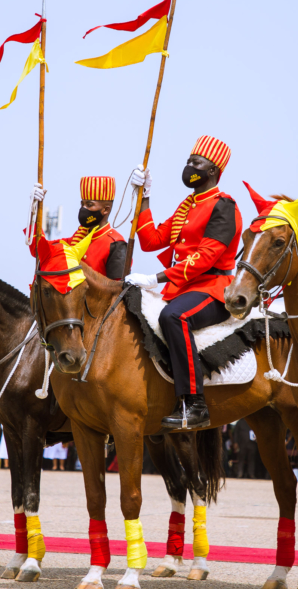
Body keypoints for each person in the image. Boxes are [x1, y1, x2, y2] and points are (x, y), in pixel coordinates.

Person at [125, 136, 243, 430]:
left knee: (174, 316)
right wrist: (144, 197)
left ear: (213, 170)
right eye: (189, 161)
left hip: (213, 290)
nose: (189, 166)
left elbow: (204, 259)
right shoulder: (187, 205)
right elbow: (151, 240)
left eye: (196, 162)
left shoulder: (224, 206)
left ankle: (194, 404)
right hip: (182, 288)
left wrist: (154, 278)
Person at [28, 176, 127, 279]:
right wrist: (34, 211)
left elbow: (117, 290)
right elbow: (39, 250)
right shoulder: (77, 239)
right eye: (82, 204)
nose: (84, 209)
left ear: (105, 210)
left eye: (89, 205)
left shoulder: (116, 244)